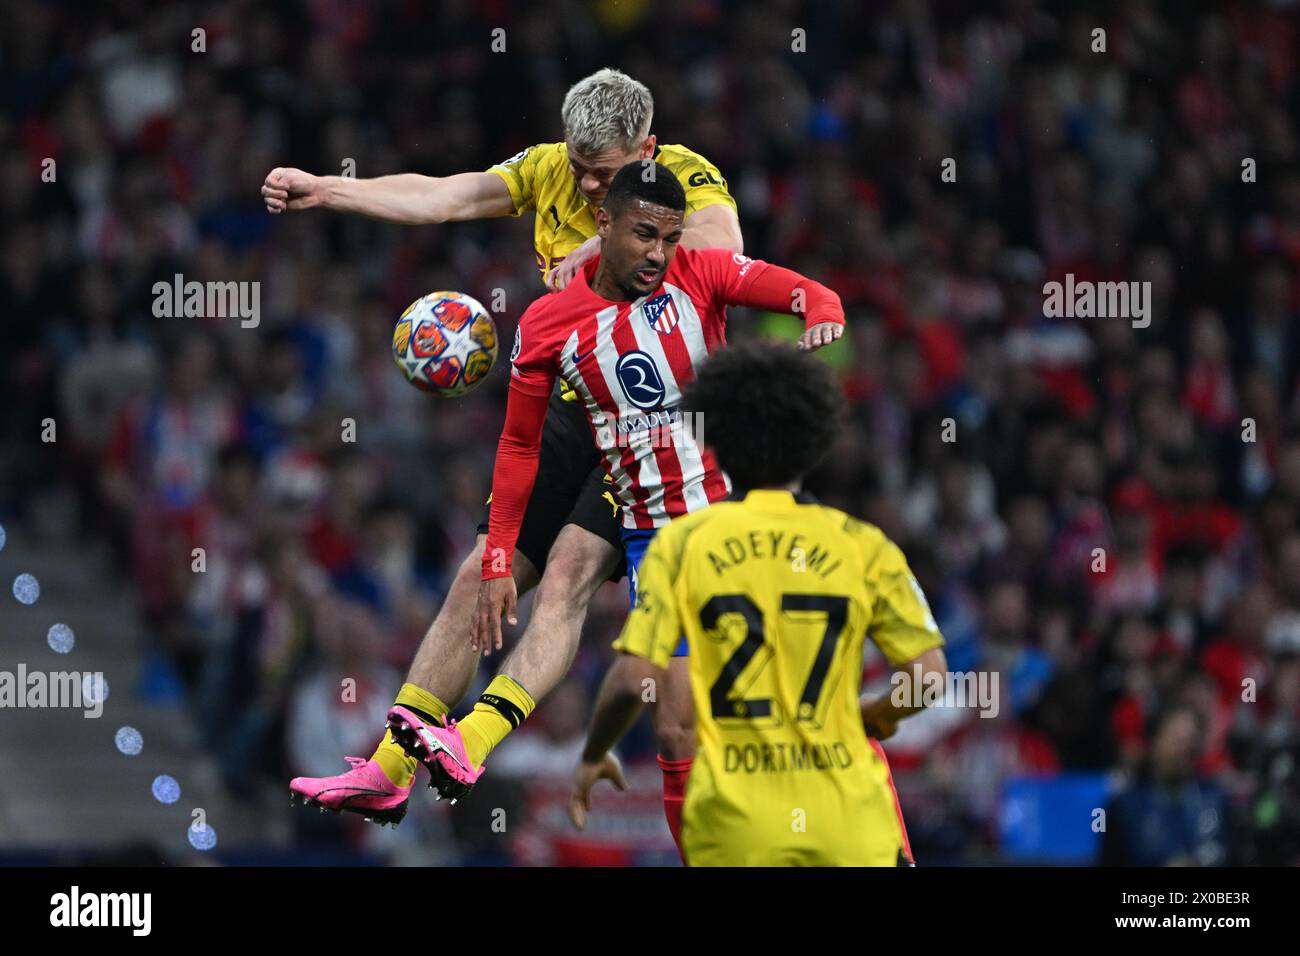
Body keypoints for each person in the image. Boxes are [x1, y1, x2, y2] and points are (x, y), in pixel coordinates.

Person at [274, 69, 743, 827]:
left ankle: (476, 737)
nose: (590, 187)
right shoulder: (548, 169)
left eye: (608, 174)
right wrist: (329, 189)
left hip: (657, 426)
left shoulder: (684, 177)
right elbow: (448, 196)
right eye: (581, 171)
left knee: (568, 575)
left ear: (647, 150)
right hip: (571, 413)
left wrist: (601, 244)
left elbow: (724, 245)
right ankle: (389, 770)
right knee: (480, 574)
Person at [386, 161, 845, 856]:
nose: (658, 254)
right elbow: (518, 444)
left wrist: (822, 318)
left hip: (721, 526)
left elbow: (812, 293)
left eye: (668, 237)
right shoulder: (549, 324)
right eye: (643, 236)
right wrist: (502, 552)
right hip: (645, 542)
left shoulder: (702, 272)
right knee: (675, 729)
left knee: (732, 715)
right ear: (603, 225)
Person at [566, 339, 949, 865]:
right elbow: (928, 676)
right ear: (818, 441)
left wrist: (594, 753)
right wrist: (874, 716)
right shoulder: (863, 546)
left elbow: (633, 681)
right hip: (850, 822)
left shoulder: (681, 547)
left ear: (714, 442)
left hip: (738, 830)